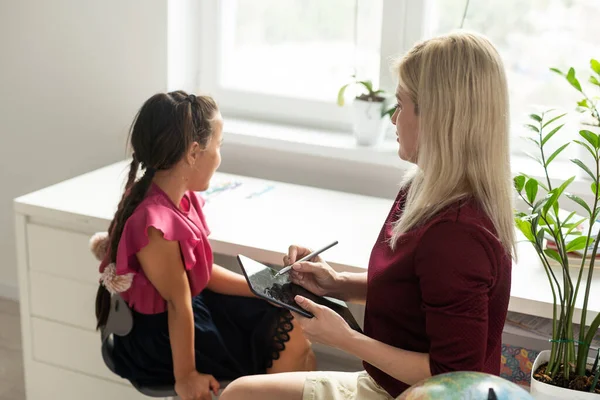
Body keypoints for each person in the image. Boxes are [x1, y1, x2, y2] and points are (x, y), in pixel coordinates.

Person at [220, 31, 516, 400]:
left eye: (401, 105)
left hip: (421, 395)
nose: (393, 119)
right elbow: (413, 287)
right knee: (241, 393)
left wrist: (346, 340)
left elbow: (452, 377)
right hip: (384, 385)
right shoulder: (423, 188)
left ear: (437, 118)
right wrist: (336, 283)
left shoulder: (457, 237)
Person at [91, 91, 316, 400]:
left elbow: (201, 272)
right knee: (286, 337)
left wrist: (264, 289)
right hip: (161, 336)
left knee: (290, 323)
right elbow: (177, 303)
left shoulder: (181, 197)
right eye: (218, 145)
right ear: (193, 153)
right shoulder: (154, 225)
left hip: (188, 308)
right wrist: (186, 377)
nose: (220, 156)